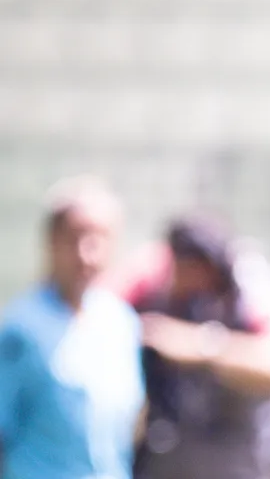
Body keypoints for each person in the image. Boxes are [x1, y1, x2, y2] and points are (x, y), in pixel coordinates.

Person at [105, 214, 270, 479]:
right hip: (163, 457)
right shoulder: (154, 274)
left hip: (236, 458)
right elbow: (93, 314)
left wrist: (204, 348)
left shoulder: (262, 293)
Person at [0, 175, 145, 479]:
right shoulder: (20, 329)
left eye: (97, 239)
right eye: (73, 238)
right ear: (51, 242)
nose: (85, 254)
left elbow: (129, 422)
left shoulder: (120, 321)